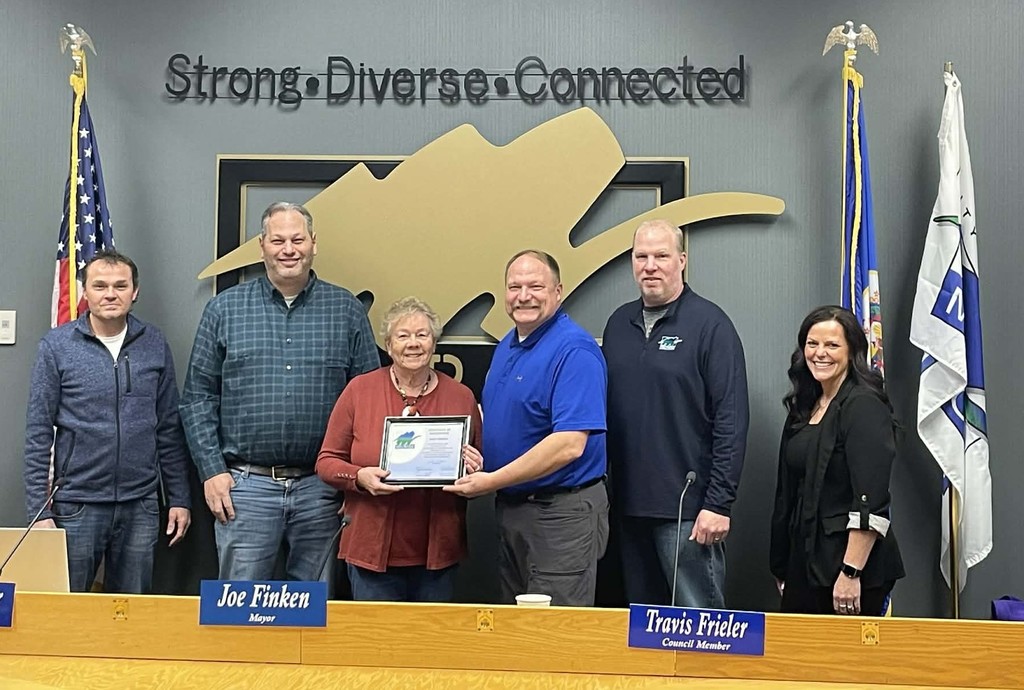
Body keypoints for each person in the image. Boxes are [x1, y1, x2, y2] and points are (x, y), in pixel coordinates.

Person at [180, 201, 379, 582]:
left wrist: (351, 480)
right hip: (245, 488)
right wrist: (212, 472)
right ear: (262, 246)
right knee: (240, 613)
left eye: (297, 239)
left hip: (322, 491)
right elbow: (197, 399)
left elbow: (368, 402)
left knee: (315, 617)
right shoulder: (224, 310)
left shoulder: (346, 310)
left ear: (313, 243)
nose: (289, 249)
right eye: (278, 240)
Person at [446, 250, 609, 607]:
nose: (524, 296)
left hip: (559, 515)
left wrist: (491, 480)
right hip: (515, 510)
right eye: (514, 286)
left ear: (558, 291)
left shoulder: (574, 351)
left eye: (536, 286)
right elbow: (504, 419)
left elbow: (569, 445)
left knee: (553, 634)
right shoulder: (508, 344)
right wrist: (476, 455)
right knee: (518, 630)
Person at [24, 249, 191, 593]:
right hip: (76, 504)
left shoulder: (154, 343)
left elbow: (169, 429)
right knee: (66, 610)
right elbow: (39, 432)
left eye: (120, 285)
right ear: (85, 291)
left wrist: (178, 497)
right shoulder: (57, 347)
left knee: (128, 614)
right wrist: (38, 513)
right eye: (100, 286)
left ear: (135, 291)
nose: (110, 294)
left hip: (140, 505)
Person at [602, 219, 748, 608]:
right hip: (628, 509)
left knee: (701, 630)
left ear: (681, 260)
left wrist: (718, 503)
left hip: (688, 513)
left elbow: (731, 421)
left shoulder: (710, 325)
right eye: (641, 256)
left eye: (661, 256)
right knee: (641, 631)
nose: (650, 265)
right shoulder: (618, 324)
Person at [316, 297, 483, 601]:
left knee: (429, 646)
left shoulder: (460, 397)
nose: (413, 344)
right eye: (403, 336)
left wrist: (473, 470)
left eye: (422, 335)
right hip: (370, 547)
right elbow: (327, 461)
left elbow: (476, 473)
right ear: (388, 345)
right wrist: (359, 477)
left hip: (437, 552)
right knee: (376, 644)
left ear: (434, 342)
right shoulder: (359, 391)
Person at [770, 305, 904, 615]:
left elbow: (871, 499)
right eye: (812, 344)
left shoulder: (864, 405)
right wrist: (783, 566)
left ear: (853, 350)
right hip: (804, 563)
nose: (820, 353)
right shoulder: (804, 406)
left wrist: (851, 572)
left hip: (849, 571)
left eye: (832, 345)